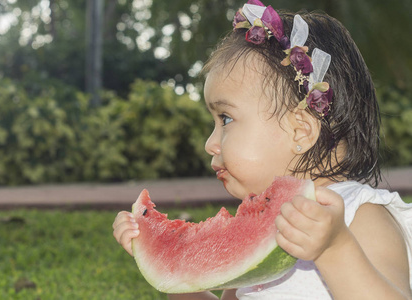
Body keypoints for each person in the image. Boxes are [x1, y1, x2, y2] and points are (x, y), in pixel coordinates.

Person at [113, 1, 412, 299]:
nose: (209, 143)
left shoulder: (360, 213)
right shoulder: (256, 225)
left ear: (301, 131)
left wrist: (335, 248)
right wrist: (176, 268)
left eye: (226, 119)